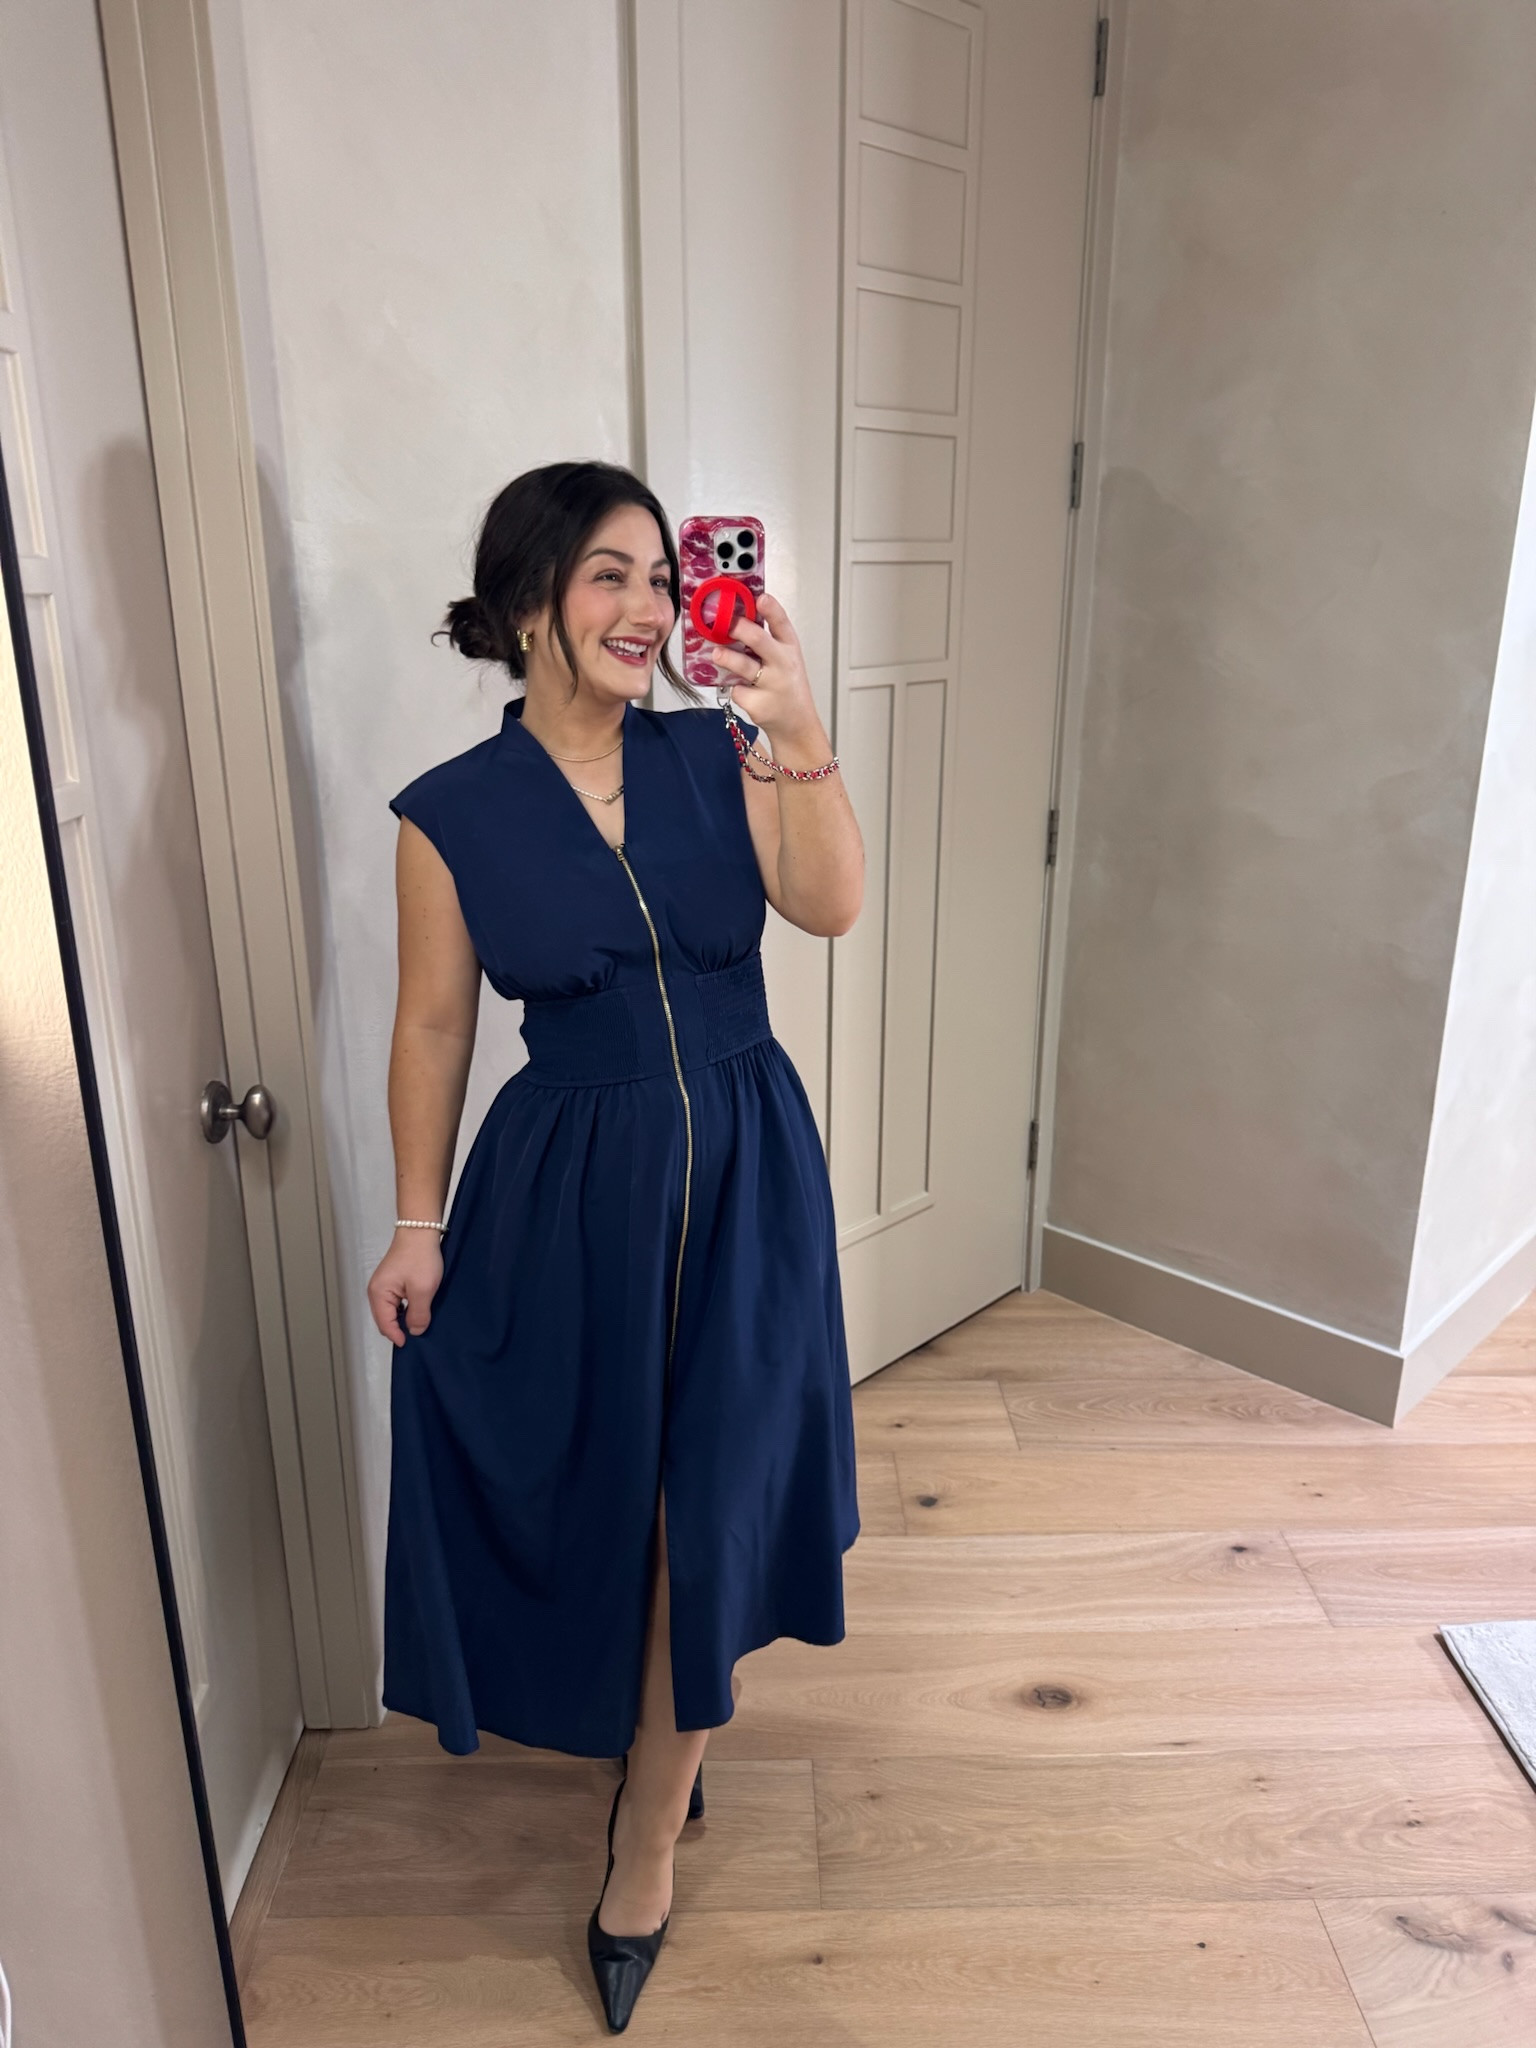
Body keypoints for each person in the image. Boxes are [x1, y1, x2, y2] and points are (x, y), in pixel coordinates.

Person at [365, 460, 864, 2033]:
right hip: (571, 1190)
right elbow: (434, 1026)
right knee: (614, 1496)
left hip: (749, 1172)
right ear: (531, 601)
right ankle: (653, 1736)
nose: (651, 606)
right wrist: (416, 1223)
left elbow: (831, 904)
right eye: (611, 575)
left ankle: (645, 1842)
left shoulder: (722, 749)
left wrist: (794, 722)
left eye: (665, 575)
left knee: (711, 1499)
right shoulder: (450, 815)